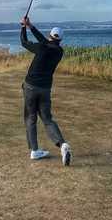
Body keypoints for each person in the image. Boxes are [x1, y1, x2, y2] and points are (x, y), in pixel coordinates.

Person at [20, 15, 71, 166]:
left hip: (30, 87)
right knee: (47, 119)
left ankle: (34, 150)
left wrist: (24, 27)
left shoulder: (42, 47)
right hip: (45, 89)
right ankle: (62, 144)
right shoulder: (59, 51)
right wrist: (31, 26)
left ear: (50, 36)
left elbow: (24, 42)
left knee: (30, 119)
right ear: (60, 40)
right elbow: (45, 42)